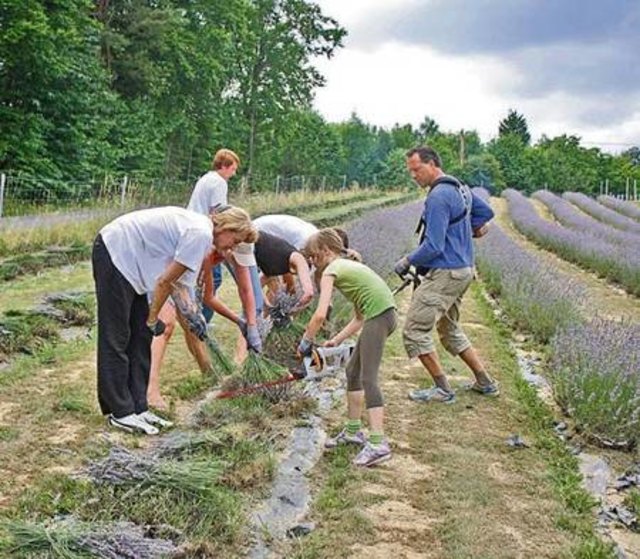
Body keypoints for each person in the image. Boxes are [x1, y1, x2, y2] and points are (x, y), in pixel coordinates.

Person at [92, 205, 257, 434]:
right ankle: (120, 411)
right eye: (235, 240)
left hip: (136, 267)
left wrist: (194, 316)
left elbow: (181, 286)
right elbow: (164, 283)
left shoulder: (202, 237)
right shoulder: (200, 234)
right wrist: (152, 318)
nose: (232, 249)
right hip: (116, 251)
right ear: (226, 227)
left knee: (141, 338)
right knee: (117, 336)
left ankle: (139, 407)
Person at [394, 146, 496, 404]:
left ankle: (442, 389)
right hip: (463, 270)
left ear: (432, 164)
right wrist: (470, 231)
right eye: (410, 171)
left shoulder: (438, 196)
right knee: (448, 328)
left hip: (446, 272)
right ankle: (485, 381)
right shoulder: (459, 187)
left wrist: (407, 261)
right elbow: (485, 215)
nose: (413, 176)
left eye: (416, 170)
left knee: (415, 330)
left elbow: (433, 246)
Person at [299, 229, 397, 467]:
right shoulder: (346, 267)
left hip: (380, 316)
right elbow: (359, 318)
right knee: (353, 372)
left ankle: (378, 444)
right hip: (382, 315)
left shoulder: (332, 270)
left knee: (368, 378)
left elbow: (320, 315)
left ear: (325, 251)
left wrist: (305, 342)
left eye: (313, 256)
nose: (312, 262)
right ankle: (353, 432)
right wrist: (338, 340)